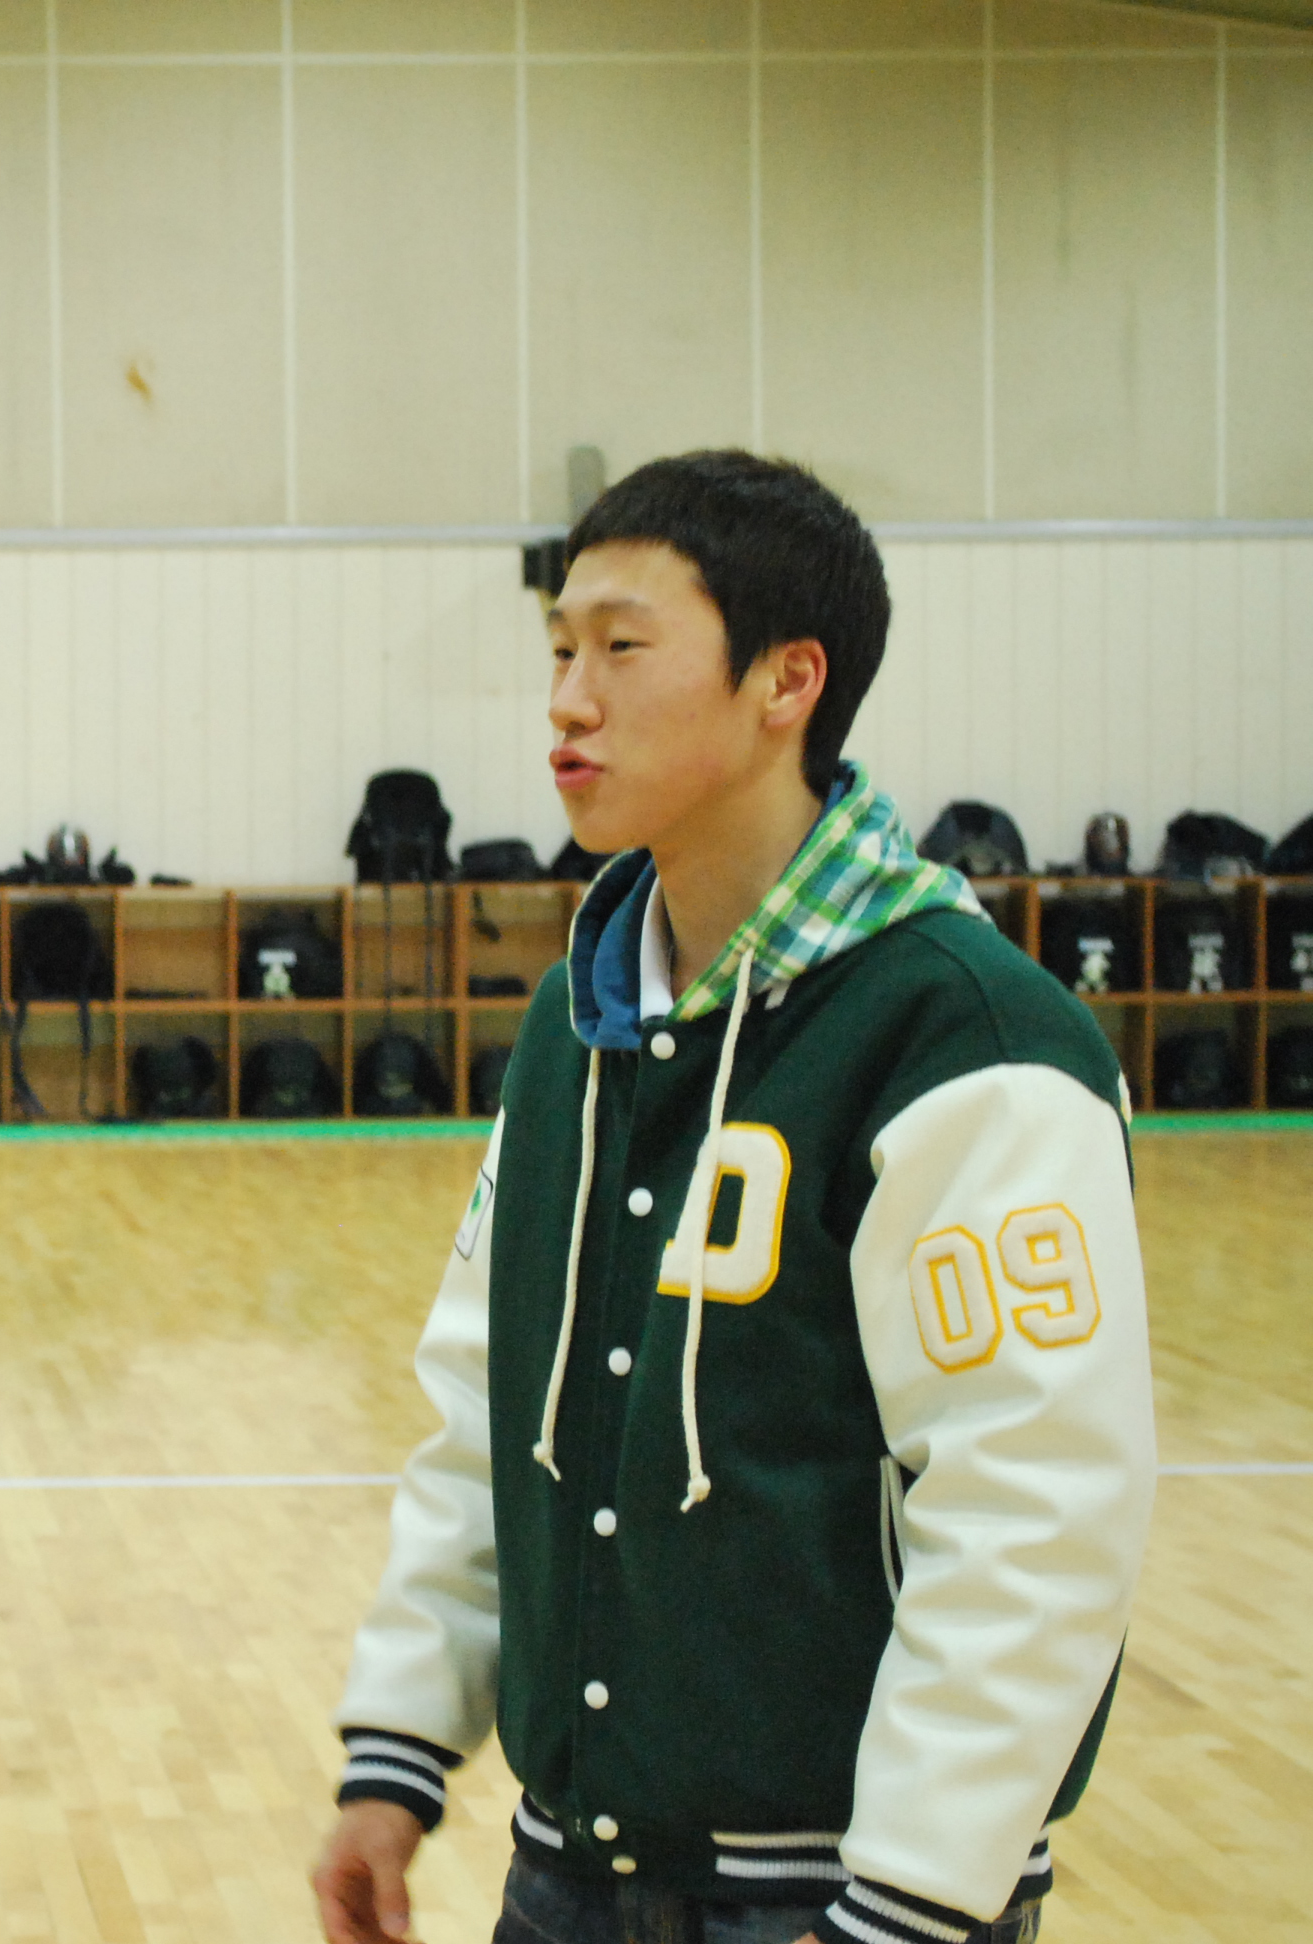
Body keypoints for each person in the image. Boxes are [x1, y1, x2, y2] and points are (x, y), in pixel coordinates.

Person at [312, 452, 1153, 1944]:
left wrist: (908, 1901)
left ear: (787, 682)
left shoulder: (970, 1042)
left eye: (622, 649)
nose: (568, 701)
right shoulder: (573, 1031)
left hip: (850, 1902)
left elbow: (1033, 1515)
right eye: (559, 651)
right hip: (567, 1875)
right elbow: (484, 1413)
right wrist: (400, 1751)